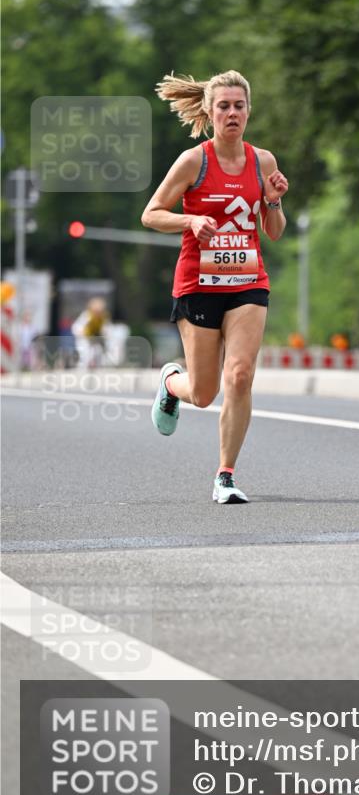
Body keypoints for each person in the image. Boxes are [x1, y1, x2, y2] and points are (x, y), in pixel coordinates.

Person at [141, 70, 288, 504]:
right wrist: (190, 220)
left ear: (249, 111)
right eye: (223, 106)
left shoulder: (263, 162)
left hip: (247, 282)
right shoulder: (193, 162)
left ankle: (225, 475)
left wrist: (275, 199)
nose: (232, 113)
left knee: (239, 376)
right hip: (198, 285)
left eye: (239, 106)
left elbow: (274, 231)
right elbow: (151, 214)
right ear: (209, 111)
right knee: (204, 394)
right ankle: (171, 384)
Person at [71, 297, 110, 369]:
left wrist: (104, 335)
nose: (98, 313)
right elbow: (75, 328)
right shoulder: (86, 316)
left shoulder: (103, 318)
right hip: (84, 340)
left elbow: (105, 329)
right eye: (96, 310)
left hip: (95, 339)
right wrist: (81, 333)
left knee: (99, 354)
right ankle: (81, 371)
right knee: (85, 356)